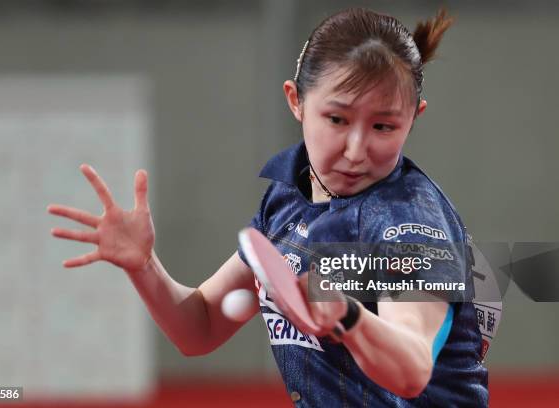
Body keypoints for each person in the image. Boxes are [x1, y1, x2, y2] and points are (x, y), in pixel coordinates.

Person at [48, 7, 489, 407]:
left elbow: (412, 369)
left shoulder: (409, 225)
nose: (356, 149)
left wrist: (345, 314)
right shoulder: (289, 199)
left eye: (383, 126)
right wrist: (143, 266)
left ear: (414, 117)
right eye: (337, 119)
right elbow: (199, 327)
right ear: (296, 101)